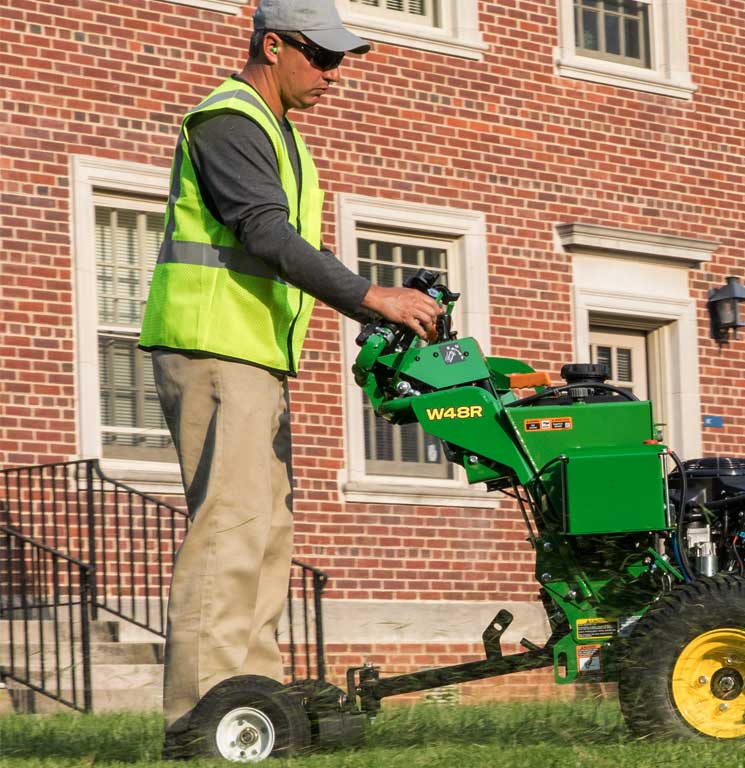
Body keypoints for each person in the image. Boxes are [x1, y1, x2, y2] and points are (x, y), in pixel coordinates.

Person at [138, 0, 440, 750]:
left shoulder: (279, 130)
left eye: (341, 61)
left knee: (269, 535)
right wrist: (372, 297)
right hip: (213, 347)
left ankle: (254, 704)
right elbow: (265, 233)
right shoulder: (230, 120)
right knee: (231, 532)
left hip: (255, 356)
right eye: (324, 58)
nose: (335, 74)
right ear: (273, 45)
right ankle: (202, 721)